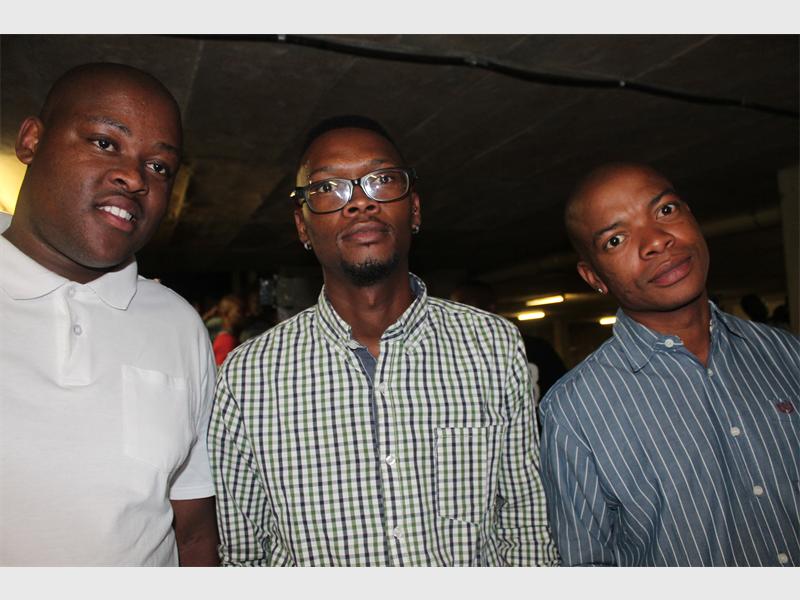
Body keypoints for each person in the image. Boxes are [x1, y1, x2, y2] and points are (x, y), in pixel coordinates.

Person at [208, 116, 559, 566]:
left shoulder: (492, 346)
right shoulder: (248, 376)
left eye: (382, 180)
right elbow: (245, 555)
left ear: (414, 209)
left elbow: (526, 523)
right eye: (328, 188)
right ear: (302, 226)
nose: (360, 201)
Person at [0, 63, 219, 566]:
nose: (135, 177)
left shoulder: (178, 326)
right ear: (32, 140)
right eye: (104, 142)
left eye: (159, 167)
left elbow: (193, 533)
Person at [539, 162, 799, 566]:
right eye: (616, 240)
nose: (657, 241)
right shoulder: (573, 411)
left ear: (691, 216)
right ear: (594, 278)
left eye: (665, 210)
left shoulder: (785, 353)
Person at [213, 294, 244, 366]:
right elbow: (221, 370)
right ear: (226, 313)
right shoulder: (226, 341)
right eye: (239, 311)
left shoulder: (229, 338)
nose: (242, 315)